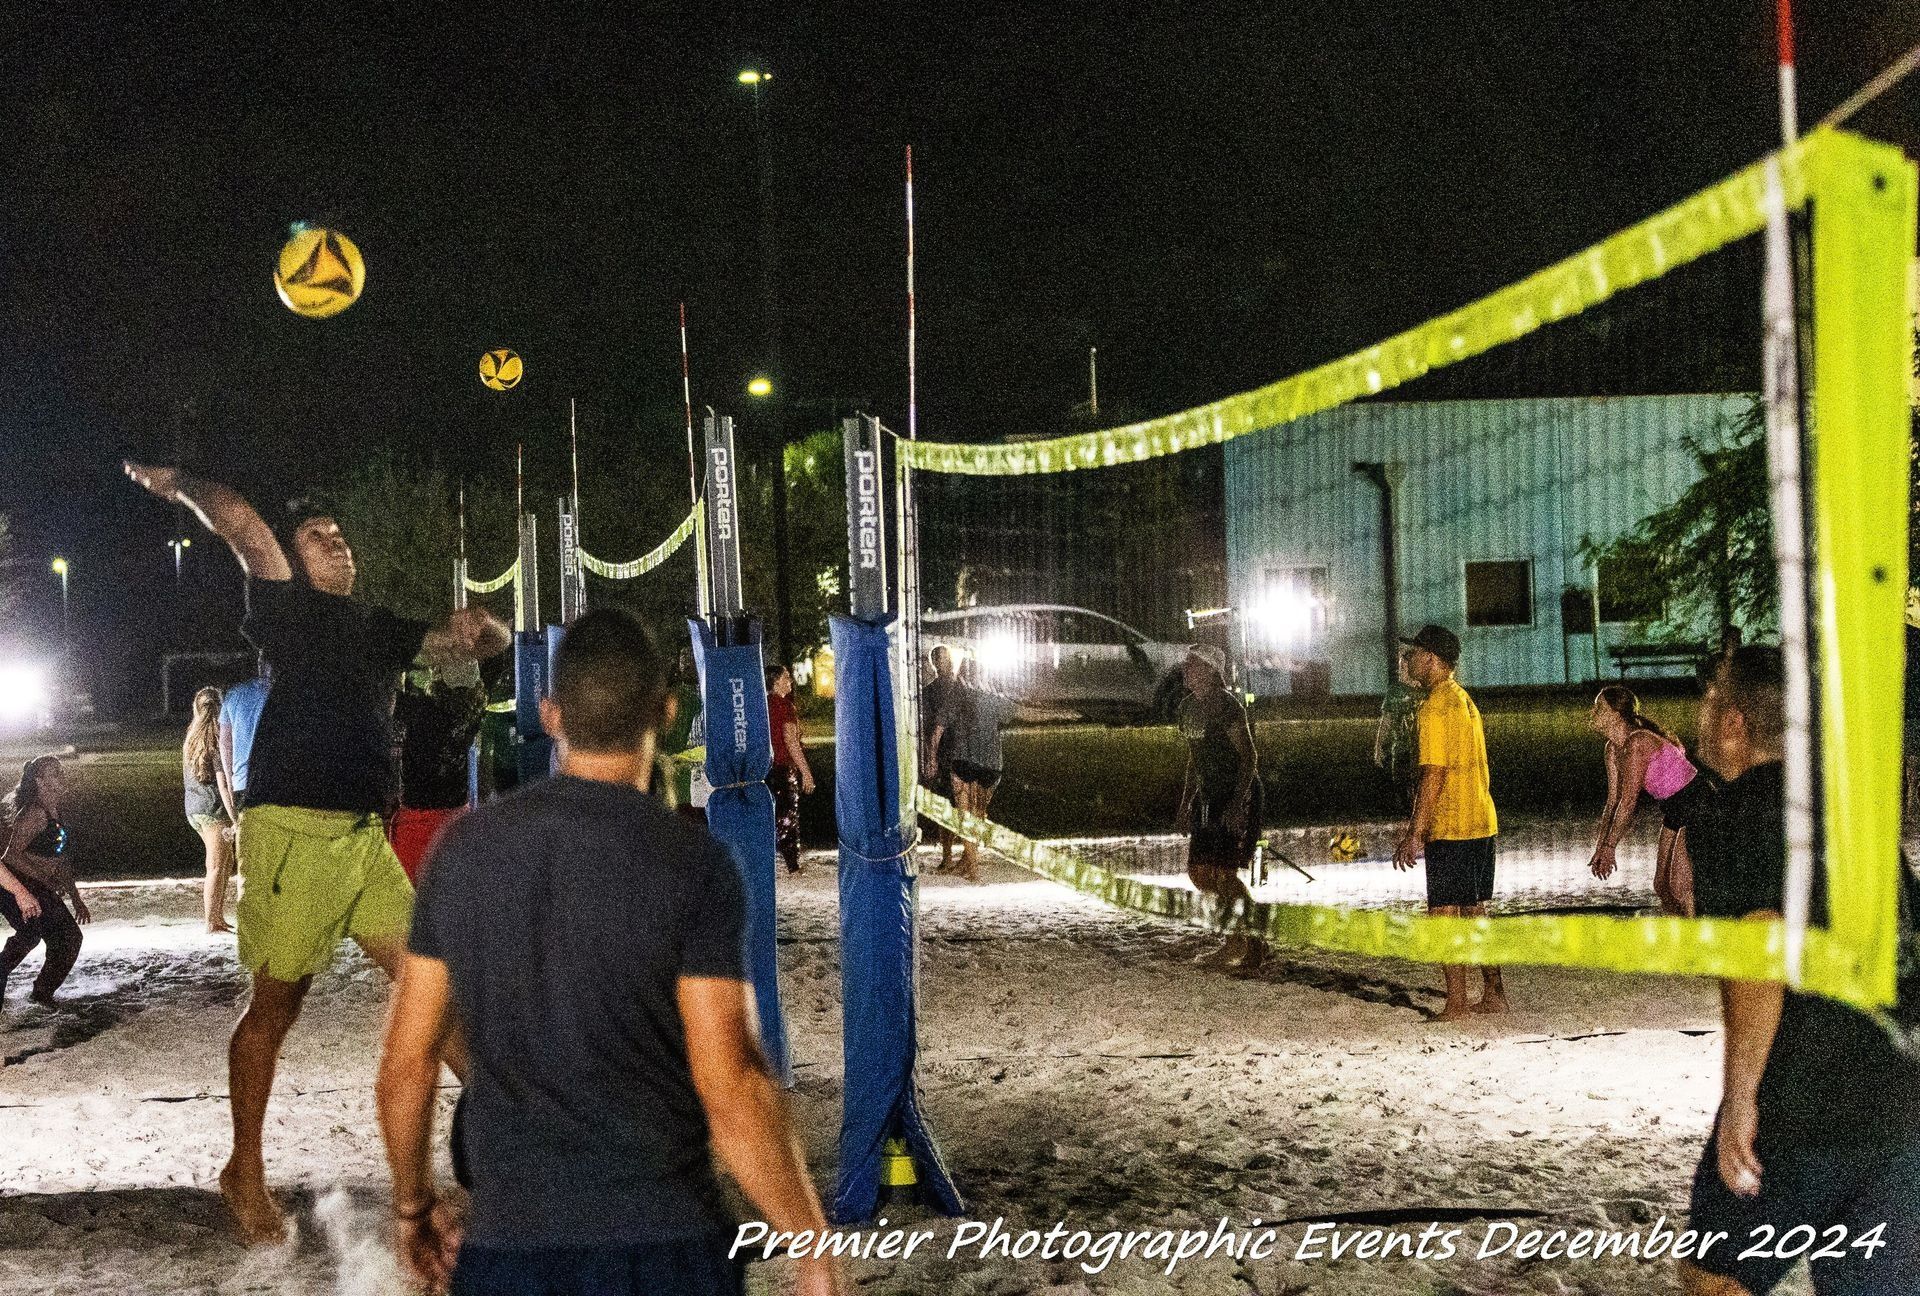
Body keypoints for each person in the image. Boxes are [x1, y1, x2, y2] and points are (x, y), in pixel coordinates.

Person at [377, 608, 842, 1296]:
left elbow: (406, 1065)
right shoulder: (693, 864)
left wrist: (413, 1205)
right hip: (664, 1241)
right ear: (667, 710)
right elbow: (731, 1083)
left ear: (550, 713)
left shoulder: (463, 852)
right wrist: (811, 1244)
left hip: (513, 1245)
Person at [123, 462, 510, 1244]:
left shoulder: (377, 625)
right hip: (294, 830)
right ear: (296, 561)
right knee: (275, 1010)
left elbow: (460, 644)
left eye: (339, 536)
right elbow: (239, 519)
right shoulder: (287, 608)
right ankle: (244, 1173)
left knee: (437, 990)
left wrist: (486, 631)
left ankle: (515, 1159)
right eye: (318, 537)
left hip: (365, 840)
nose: (336, 544)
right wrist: (181, 484)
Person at [1673, 646, 1920, 1295]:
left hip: (1803, 1105)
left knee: (1715, 1280)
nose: (1699, 712)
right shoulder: (1852, 816)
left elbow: (1759, 948)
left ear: (1733, 724)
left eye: (1708, 699)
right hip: (1902, 1103)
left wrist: (1741, 1096)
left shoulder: (1736, 809)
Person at [1391, 624, 1505, 1020]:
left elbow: (1433, 775)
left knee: (1443, 915)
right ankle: (1494, 993)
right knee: (1475, 912)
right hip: (1482, 818)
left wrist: (1414, 833)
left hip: (1453, 824)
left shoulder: (1435, 707)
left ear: (1431, 659)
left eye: (1413, 654)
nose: (1407, 661)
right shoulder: (1463, 699)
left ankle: (1456, 1002)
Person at [1175, 645, 1265, 970]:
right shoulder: (1186, 708)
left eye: (1192, 663)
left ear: (1210, 670)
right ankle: (1245, 935)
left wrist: (1238, 803)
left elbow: (1249, 758)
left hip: (1235, 794)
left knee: (1224, 873)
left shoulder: (1227, 707)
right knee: (1200, 872)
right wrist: (1186, 802)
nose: (1185, 668)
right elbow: (1193, 759)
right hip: (1207, 797)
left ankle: (1244, 942)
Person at [1587, 683, 1698, 916]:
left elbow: (1628, 803)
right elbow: (1613, 802)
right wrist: (1601, 848)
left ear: (1615, 715)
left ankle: (1697, 943)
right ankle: (1677, 938)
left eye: (1598, 709)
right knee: (1661, 886)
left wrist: (1610, 847)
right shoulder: (1612, 749)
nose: (1592, 713)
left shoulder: (1637, 743)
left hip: (1698, 804)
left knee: (1679, 887)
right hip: (1675, 810)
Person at [0, 756, 89, 1006]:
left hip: (38, 885)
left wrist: (76, 898)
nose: (61, 776)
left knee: (67, 938)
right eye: (54, 773)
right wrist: (40, 881)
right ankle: (37, 991)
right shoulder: (35, 814)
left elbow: (60, 859)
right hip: (17, 885)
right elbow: (10, 856)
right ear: (40, 781)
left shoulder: (55, 811)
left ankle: (42, 992)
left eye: (61, 771)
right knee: (42, 936)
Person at [390, 671, 487, 885]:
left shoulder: (422, 711)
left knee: (412, 897)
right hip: (457, 820)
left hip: (418, 822)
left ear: (440, 681)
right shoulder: (474, 714)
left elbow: (385, 698)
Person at [928, 658, 1018, 882]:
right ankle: (969, 864)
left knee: (965, 816)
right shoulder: (995, 696)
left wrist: (931, 759)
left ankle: (974, 869)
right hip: (991, 764)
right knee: (977, 816)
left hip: (963, 762)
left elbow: (938, 730)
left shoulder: (957, 696)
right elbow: (1019, 713)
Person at [183, 686, 235, 933]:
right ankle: (211, 921)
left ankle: (217, 916)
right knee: (215, 864)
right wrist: (234, 815)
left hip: (194, 808)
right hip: (214, 809)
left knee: (225, 860)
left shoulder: (191, 735)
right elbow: (223, 782)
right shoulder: (215, 737)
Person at [765, 663, 815, 876]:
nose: (790, 681)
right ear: (776, 682)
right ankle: (793, 864)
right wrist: (806, 772)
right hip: (783, 768)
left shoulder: (761, 705)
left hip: (765, 769)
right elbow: (791, 742)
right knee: (787, 816)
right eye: (786, 677)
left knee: (770, 815)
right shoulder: (785, 707)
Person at [920, 645, 961, 871]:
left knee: (960, 805)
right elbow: (929, 728)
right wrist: (931, 757)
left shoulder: (959, 687)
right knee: (948, 805)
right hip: (947, 753)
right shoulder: (932, 692)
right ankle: (948, 856)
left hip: (959, 751)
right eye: (940, 659)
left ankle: (962, 856)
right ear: (935, 663)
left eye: (946, 658)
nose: (944, 663)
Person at [1372, 647, 1425, 813]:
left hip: (1421, 749)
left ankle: (1418, 813)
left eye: (1403, 666)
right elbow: (1386, 721)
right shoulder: (1395, 691)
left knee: (1419, 782)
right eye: (1399, 667)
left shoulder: (1424, 690)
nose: (1400, 670)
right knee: (1401, 782)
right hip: (1400, 749)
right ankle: (1408, 812)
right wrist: (1379, 747)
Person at [217, 666, 270, 826]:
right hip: (271, 782)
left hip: (242, 781)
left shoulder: (233, 694)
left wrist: (230, 782)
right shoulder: (278, 694)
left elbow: (225, 744)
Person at [663, 648, 705, 824]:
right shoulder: (703, 698)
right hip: (691, 787)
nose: (688, 665)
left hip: (679, 786)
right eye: (685, 662)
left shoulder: (671, 697)